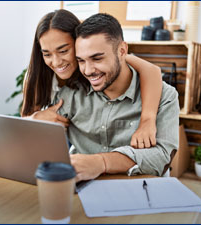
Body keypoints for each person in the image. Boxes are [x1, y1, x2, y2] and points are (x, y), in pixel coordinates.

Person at [54, 13, 180, 182]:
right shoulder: (70, 94)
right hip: (83, 191)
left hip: (141, 191)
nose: (88, 70)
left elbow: (162, 158)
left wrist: (101, 162)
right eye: (81, 61)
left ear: (122, 51)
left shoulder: (165, 96)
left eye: (97, 58)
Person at [21, 9, 162, 149]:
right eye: (47, 54)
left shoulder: (100, 61)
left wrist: (147, 120)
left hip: (87, 131)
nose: (56, 62)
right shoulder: (36, 77)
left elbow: (152, 71)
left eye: (63, 51)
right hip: (62, 134)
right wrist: (35, 119)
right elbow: (24, 129)